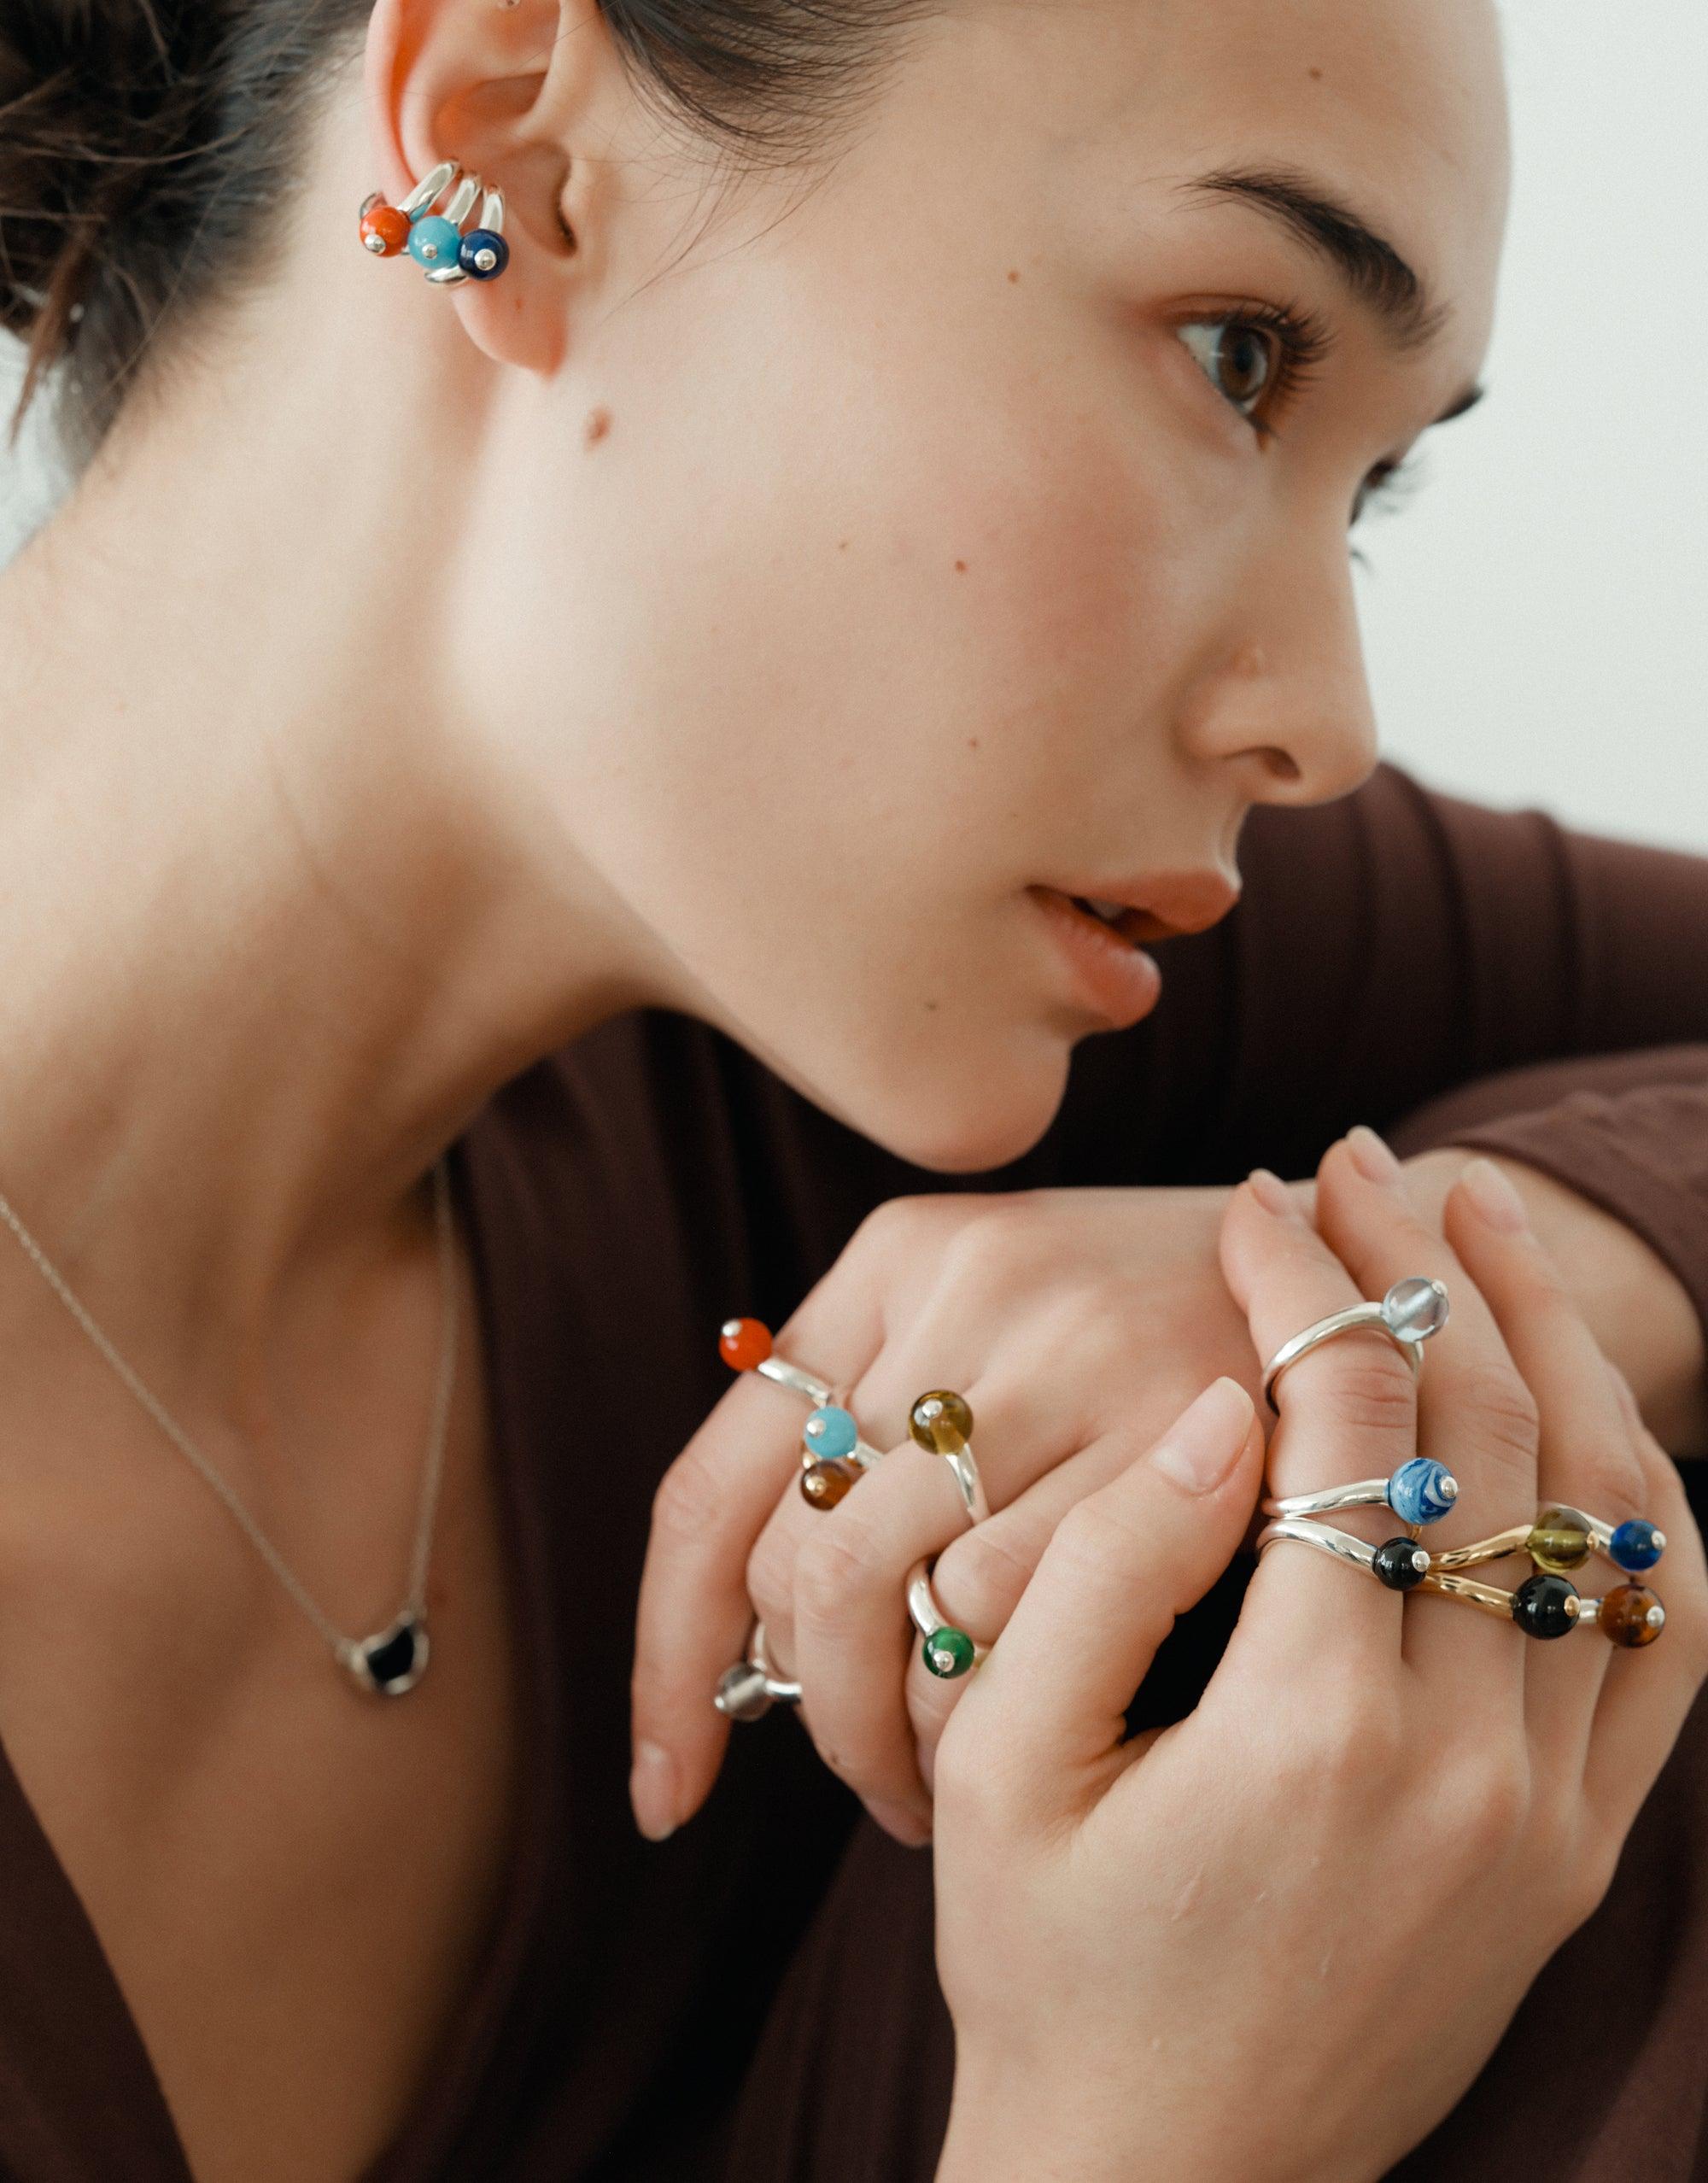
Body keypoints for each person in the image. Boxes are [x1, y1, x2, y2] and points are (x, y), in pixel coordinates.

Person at [0, 0, 1703, 2178]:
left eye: (1366, 492)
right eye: (1238, 356)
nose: (1329, 723)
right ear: (517, 164)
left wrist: (1409, 1293)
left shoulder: (855, 1002)